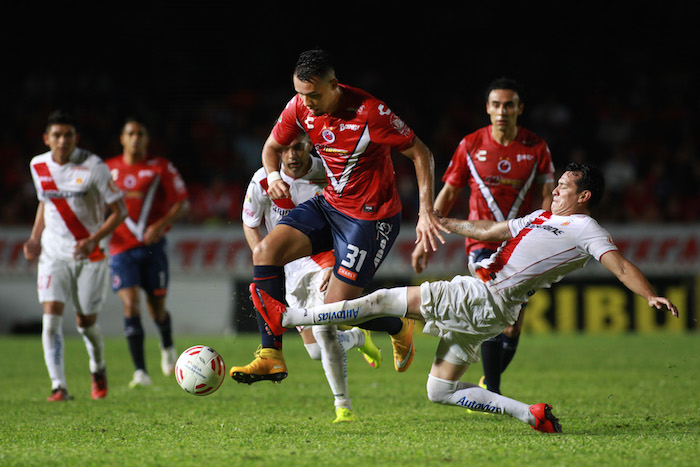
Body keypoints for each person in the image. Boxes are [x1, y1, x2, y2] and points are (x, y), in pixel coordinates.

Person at [250, 163, 679, 432]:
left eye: (564, 187)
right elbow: (493, 231)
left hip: (481, 294)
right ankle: (529, 414)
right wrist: (443, 221)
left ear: (583, 196)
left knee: (378, 301)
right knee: (440, 390)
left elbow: (620, 266)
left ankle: (287, 319)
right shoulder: (543, 216)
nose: (556, 191)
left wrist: (650, 296)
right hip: (494, 310)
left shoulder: (586, 228)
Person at [230, 49, 448, 383]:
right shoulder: (300, 105)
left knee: (334, 314)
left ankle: (396, 324)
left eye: (314, 95)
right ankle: (271, 355)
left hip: (370, 220)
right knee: (265, 252)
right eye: (301, 94)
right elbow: (271, 148)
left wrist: (425, 212)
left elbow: (420, 152)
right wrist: (273, 177)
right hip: (332, 205)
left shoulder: (370, 113)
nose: (307, 102)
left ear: (334, 85)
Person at [412, 77, 555, 396]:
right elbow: (448, 193)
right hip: (481, 244)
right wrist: (426, 238)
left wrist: (547, 233)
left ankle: (490, 380)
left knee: (513, 324)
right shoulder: (471, 145)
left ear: (519, 109)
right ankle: (493, 387)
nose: (502, 111)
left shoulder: (536, 147)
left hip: (522, 243)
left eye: (508, 105)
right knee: (497, 315)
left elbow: (547, 193)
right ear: (487, 109)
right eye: (496, 105)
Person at [238, 132, 382, 422]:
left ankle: (343, 406)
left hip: (321, 262)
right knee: (316, 352)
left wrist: (336, 263)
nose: (292, 154)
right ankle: (356, 336)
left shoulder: (327, 175)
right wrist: (268, 264)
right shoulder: (263, 180)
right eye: (286, 149)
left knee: (325, 330)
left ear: (310, 146)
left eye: (299, 147)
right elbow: (250, 223)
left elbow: (346, 223)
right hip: (287, 270)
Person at [23, 110, 127, 401]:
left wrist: (93, 240)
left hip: (91, 254)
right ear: (47, 138)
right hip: (54, 252)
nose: (62, 140)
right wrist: (34, 238)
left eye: (68, 134)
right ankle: (59, 386)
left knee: (85, 323)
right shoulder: (38, 166)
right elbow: (45, 203)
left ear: (76, 138)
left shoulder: (94, 167)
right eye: (56, 135)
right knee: (51, 319)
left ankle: (98, 367)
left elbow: (121, 212)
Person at [105, 118, 189, 388]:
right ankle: (140, 371)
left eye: (140, 133)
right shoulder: (108, 169)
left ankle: (167, 345)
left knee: (157, 311)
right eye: (130, 133)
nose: (135, 138)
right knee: (131, 305)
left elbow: (181, 202)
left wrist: (161, 224)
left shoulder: (160, 167)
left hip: (153, 248)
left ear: (146, 139)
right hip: (121, 249)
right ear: (122, 138)